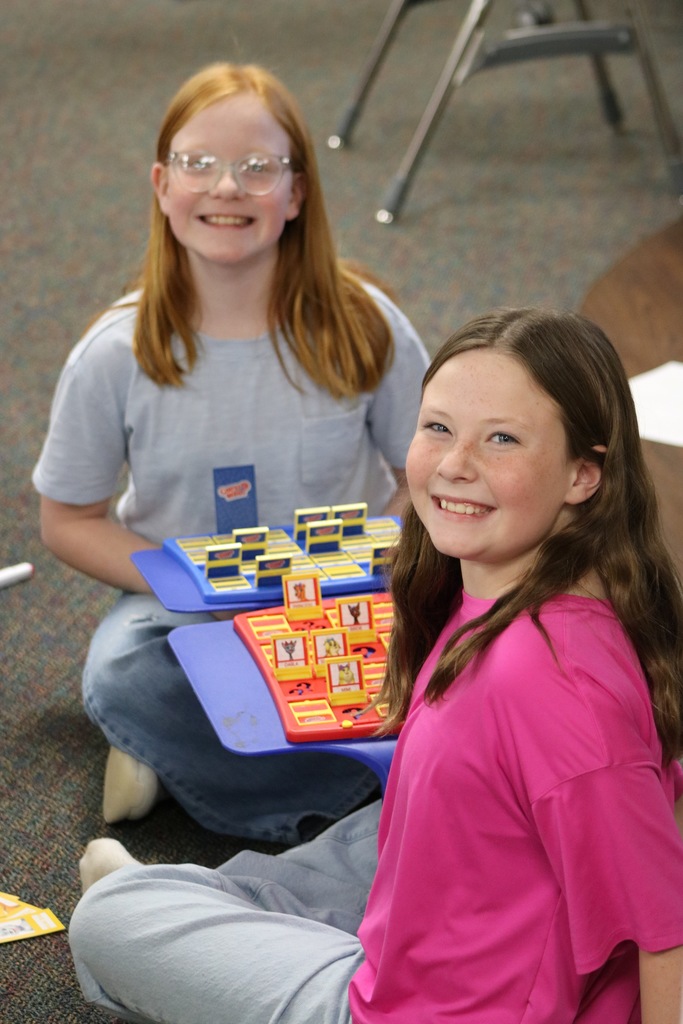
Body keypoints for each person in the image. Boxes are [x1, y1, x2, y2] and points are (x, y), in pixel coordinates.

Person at [68, 307, 683, 1023]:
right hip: (451, 929)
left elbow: (665, 931)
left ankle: (189, 913)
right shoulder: (511, 592)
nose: (455, 464)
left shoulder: (551, 686)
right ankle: (226, 915)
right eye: (438, 428)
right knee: (390, 824)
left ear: (583, 474)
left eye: (502, 440)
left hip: (408, 1009)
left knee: (112, 919)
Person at [32, 62, 429, 844]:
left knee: (474, 640)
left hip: (347, 594)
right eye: (198, 164)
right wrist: (189, 582)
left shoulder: (366, 324)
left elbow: (430, 474)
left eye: (257, 168)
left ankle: (197, 761)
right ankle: (377, 778)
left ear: (297, 192)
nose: (226, 188)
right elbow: (67, 518)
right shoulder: (115, 352)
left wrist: (374, 563)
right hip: (182, 607)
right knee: (123, 673)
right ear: (160, 184)